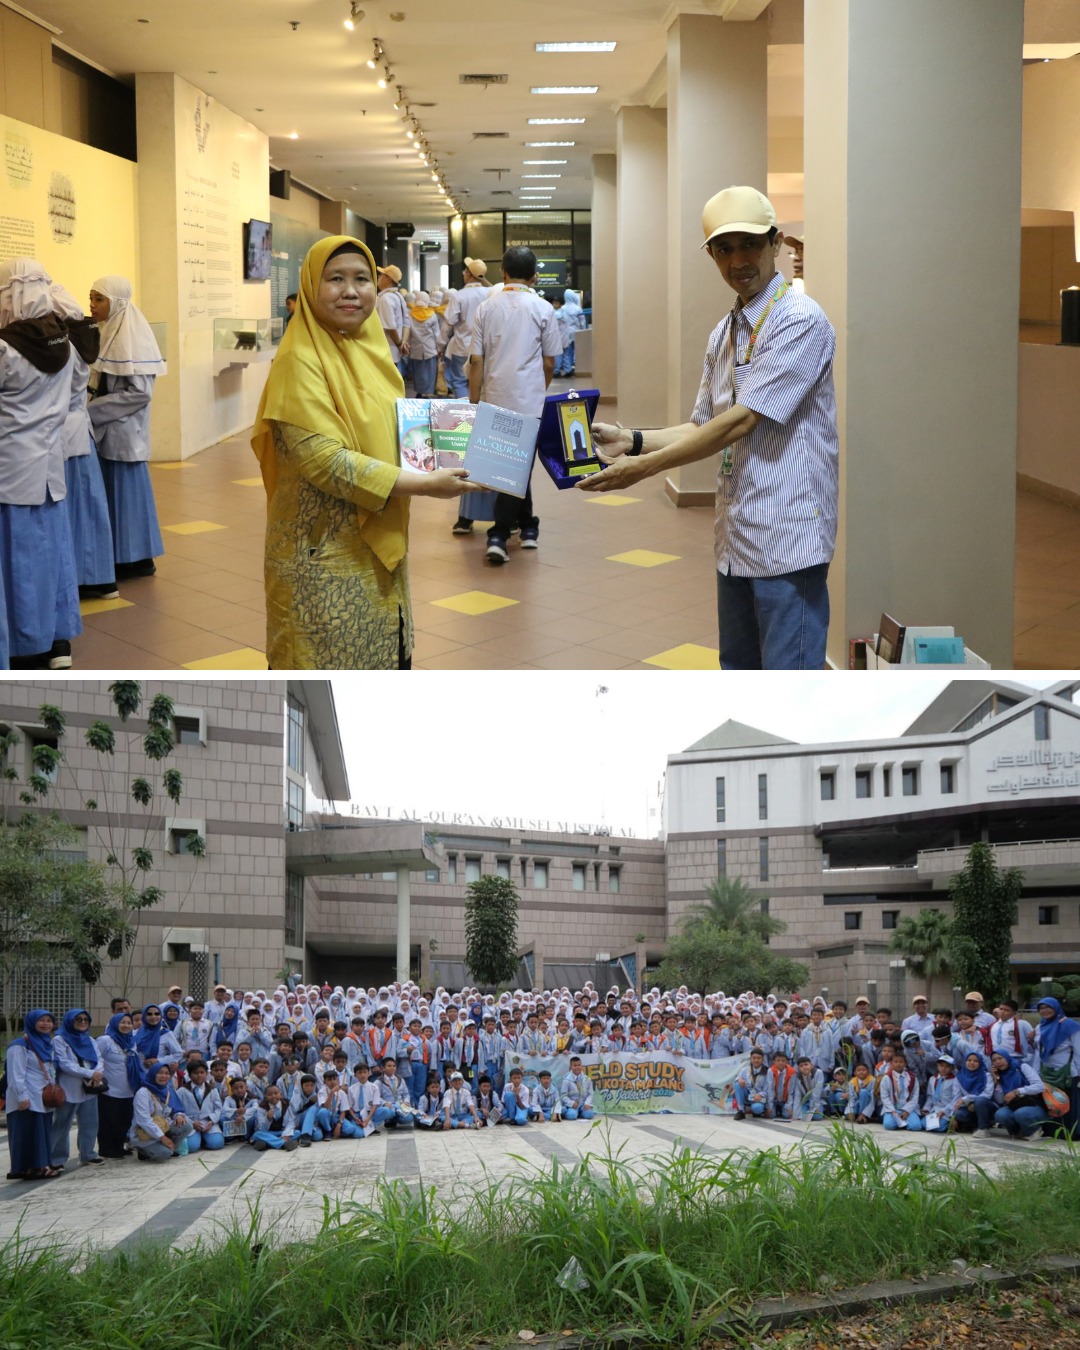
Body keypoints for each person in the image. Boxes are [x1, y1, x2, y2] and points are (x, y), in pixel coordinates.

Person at [580, 185, 839, 671]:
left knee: (791, 688)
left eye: (750, 244)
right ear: (711, 254)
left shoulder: (799, 319)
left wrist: (641, 468)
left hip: (788, 539)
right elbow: (704, 425)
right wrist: (631, 439)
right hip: (736, 538)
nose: (738, 259)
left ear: (776, 243)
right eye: (724, 248)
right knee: (738, 674)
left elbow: (740, 421)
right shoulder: (727, 330)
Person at [250, 234, 477, 669]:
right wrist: (428, 483)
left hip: (377, 552)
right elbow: (326, 463)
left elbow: (396, 428)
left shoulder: (371, 352)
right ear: (310, 287)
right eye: (335, 279)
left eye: (361, 278)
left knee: (388, 658)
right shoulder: (299, 359)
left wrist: (462, 439)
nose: (351, 291)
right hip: (321, 554)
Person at [0, 258, 82, 671]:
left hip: (10, 473)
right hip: (49, 470)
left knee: (17, 563)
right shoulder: (63, 344)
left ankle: (20, 643)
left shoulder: (5, 348)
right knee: (51, 556)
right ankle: (54, 641)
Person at [469, 245, 562, 565]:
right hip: (529, 401)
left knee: (508, 466)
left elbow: (476, 360)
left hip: (495, 397)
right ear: (535, 276)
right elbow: (550, 361)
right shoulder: (543, 309)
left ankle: (501, 533)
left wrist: (474, 400)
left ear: (503, 273)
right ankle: (524, 528)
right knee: (517, 465)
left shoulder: (486, 308)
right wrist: (538, 388)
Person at [87, 274, 166, 579]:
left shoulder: (133, 336)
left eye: (99, 299)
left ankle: (136, 560)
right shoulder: (107, 331)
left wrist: (92, 411)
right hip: (108, 430)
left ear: (116, 302)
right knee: (114, 497)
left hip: (122, 432)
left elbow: (140, 393)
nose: (92, 306)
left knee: (128, 498)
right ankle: (121, 557)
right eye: (91, 298)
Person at [48, 278, 118, 602]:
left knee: (77, 510)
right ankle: (100, 578)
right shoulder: (80, 341)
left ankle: (85, 579)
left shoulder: (62, 349)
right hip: (80, 434)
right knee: (89, 508)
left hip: (67, 436)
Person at [4, 1009, 63, 1180]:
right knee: (26, 1133)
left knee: (40, 1133)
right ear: (31, 1022)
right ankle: (30, 1168)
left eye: (49, 1021)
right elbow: (15, 1074)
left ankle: (38, 1166)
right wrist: (22, 1097)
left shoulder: (47, 1044)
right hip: (26, 1098)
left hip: (43, 1097)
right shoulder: (19, 1046)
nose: (46, 1024)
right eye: (41, 1020)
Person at [50, 1008, 106, 1169]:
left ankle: (87, 1154)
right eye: (78, 1019)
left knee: (90, 1123)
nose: (82, 1022)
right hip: (69, 1088)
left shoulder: (89, 1039)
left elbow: (99, 1058)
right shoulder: (60, 1040)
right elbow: (64, 1063)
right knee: (62, 1124)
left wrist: (98, 1073)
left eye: (85, 1020)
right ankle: (57, 1159)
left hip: (90, 1088)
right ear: (69, 1021)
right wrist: (90, 1073)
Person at [95, 1009, 142, 1158]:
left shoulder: (131, 1042)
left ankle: (119, 1146)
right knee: (109, 1121)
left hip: (128, 1089)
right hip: (110, 1090)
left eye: (129, 1023)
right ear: (115, 1023)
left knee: (124, 1120)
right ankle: (107, 1149)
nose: (126, 1025)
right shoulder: (105, 1040)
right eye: (123, 1022)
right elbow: (96, 1059)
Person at [131, 1062, 193, 1161]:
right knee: (164, 1154)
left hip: (163, 1126)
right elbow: (143, 1121)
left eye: (167, 1073)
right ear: (152, 1074)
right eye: (159, 1073)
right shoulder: (143, 1093)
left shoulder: (168, 1091)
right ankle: (143, 1150)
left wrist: (178, 1115)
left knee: (186, 1125)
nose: (163, 1076)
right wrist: (162, 1137)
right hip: (144, 1133)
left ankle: (169, 1147)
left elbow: (177, 1108)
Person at [375, 263, 410, 379]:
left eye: (381, 275)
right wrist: (403, 342)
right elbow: (406, 323)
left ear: (388, 279)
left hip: (387, 349)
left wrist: (400, 344)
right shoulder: (398, 296)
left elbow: (390, 326)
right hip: (395, 349)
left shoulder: (386, 298)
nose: (378, 278)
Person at [406, 292, 441, 397]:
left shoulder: (410, 314)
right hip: (430, 349)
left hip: (415, 350)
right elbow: (436, 334)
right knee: (430, 373)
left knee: (417, 373)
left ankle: (419, 392)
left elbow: (408, 333)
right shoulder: (432, 315)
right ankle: (428, 393)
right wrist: (439, 348)